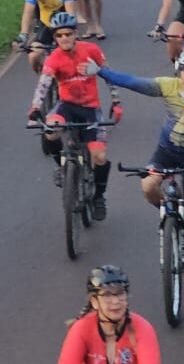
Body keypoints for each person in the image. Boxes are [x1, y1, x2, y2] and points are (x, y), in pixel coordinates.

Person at [81, 49, 184, 282]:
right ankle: (168, 211)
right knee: (148, 186)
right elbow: (131, 82)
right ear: (180, 72)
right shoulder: (167, 85)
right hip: (166, 153)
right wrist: (101, 72)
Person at [28, 12, 119, 220]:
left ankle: (99, 197)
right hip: (66, 106)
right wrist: (35, 108)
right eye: (59, 36)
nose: (64, 39)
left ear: (76, 34)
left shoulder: (91, 50)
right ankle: (60, 167)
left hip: (90, 109)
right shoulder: (54, 58)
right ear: (55, 38)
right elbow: (43, 85)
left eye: (68, 34)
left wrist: (116, 102)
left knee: (100, 157)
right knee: (50, 130)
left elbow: (110, 76)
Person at [58, 265, 161, 364]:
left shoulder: (143, 328)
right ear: (94, 302)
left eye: (120, 293)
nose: (115, 301)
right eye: (107, 295)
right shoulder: (81, 329)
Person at [16, 0, 77, 73]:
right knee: (33, 55)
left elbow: (70, 10)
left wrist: (73, 30)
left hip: (63, 25)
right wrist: (23, 34)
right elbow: (28, 12)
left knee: (71, 57)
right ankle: (43, 77)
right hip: (46, 25)